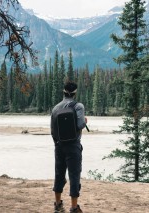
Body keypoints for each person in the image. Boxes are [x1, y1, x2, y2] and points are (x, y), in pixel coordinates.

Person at [51, 81, 87, 213]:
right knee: (74, 175)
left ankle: (58, 204)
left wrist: (57, 143)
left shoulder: (56, 108)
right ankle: (74, 207)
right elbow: (80, 125)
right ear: (75, 92)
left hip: (59, 146)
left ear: (63, 91)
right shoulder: (78, 106)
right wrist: (85, 121)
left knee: (59, 173)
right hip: (73, 146)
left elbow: (53, 130)